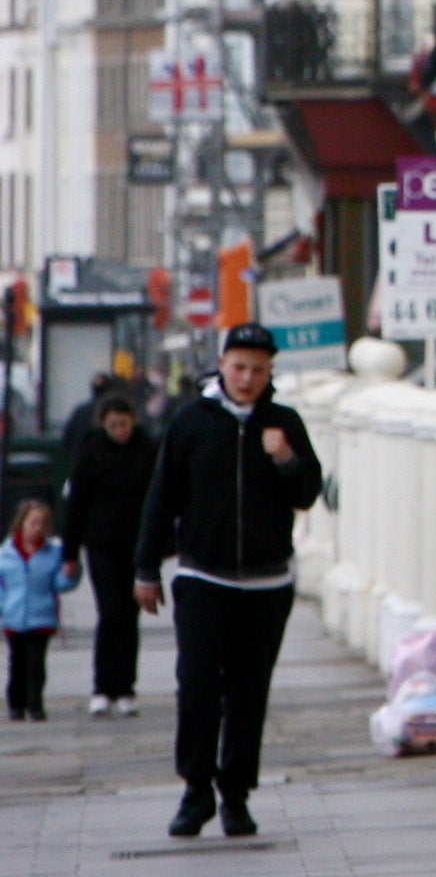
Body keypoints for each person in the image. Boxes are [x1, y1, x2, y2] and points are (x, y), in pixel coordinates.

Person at [134, 326, 323, 840]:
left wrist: (284, 458)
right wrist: (146, 568)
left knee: (248, 692)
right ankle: (196, 792)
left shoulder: (284, 423)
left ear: (270, 374)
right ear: (222, 364)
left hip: (267, 584)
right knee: (196, 687)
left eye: (259, 370)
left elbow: (309, 493)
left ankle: (236, 796)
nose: (247, 379)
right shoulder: (192, 421)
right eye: (240, 367)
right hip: (203, 576)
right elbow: (161, 495)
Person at [60, 390, 154, 715]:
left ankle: (126, 688)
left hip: (137, 545)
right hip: (101, 545)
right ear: (103, 424)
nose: (120, 431)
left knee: (130, 615)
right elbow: (77, 504)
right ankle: (103, 687)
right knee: (110, 612)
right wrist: (69, 553)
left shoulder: (147, 449)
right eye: (113, 425)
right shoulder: (90, 451)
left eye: (124, 424)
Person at [1, 496, 79, 720]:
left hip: (42, 615)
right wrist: (3, 605)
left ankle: (35, 704)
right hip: (14, 615)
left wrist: (70, 573)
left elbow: (59, 584)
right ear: (21, 524)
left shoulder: (53, 553)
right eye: (33, 523)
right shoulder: (6, 553)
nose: (38, 529)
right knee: (17, 663)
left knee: (36, 664)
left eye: (43, 523)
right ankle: (16, 705)